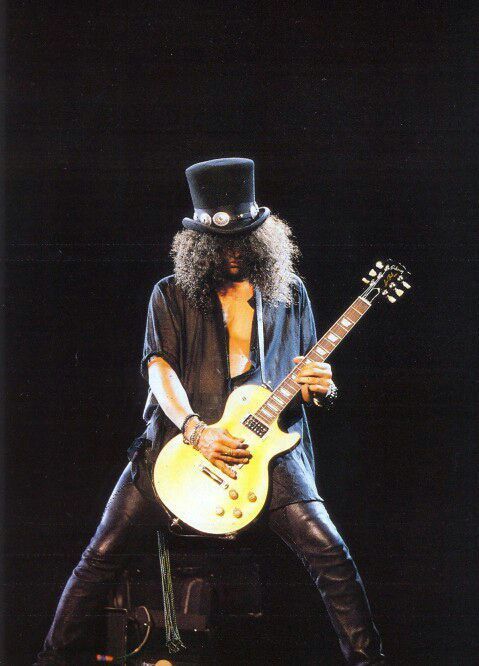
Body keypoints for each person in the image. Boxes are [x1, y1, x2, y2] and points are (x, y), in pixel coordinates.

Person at [35, 158, 384, 665]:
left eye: (243, 239)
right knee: (101, 555)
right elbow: (159, 369)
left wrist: (323, 388)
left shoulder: (291, 294)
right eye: (220, 242)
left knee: (330, 552)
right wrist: (195, 430)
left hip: (268, 447)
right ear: (199, 244)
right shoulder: (170, 293)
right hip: (179, 445)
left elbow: (309, 382)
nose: (233, 252)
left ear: (262, 237)